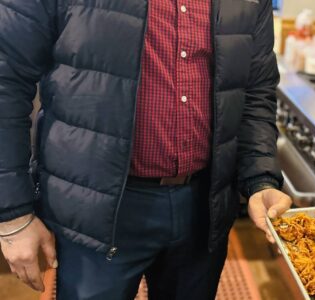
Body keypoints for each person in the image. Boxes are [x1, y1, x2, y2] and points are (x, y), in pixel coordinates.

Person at [0, 0, 292, 299]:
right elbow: (5, 78)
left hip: (204, 209)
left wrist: (260, 178)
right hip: (95, 212)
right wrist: (12, 216)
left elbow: (255, 90)